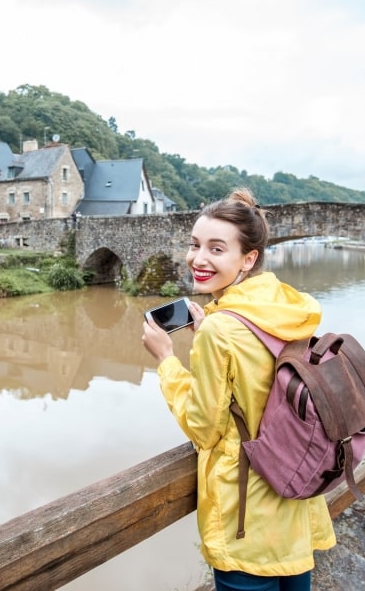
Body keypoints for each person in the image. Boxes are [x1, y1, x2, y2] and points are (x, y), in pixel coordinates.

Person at [141, 188, 334, 591]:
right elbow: (258, 380)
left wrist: (166, 360)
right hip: (294, 496)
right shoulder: (284, 306)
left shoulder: (221, 329)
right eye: (195, 245)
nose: (198, 259)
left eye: (216, 248)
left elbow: (203, 429)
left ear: (248, 259)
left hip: (246, 512)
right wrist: (206, 335)